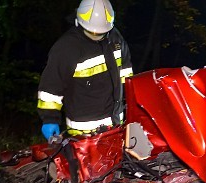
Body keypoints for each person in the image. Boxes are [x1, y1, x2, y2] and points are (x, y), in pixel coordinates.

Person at [37, 0, 134, 141]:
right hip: (83, 133)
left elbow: (126, 73)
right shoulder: (67, 47)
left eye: (101, 33)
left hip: (115, 124)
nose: (96, 35)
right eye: (92, 32)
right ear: (79, 22)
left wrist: (130, 100)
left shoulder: (115, 39)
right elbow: (50, 89)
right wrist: (49, 118)